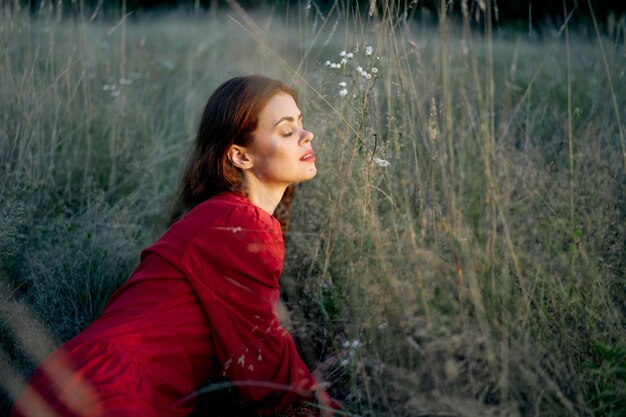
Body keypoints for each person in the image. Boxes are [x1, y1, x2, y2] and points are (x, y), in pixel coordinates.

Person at [11, 75, 342, 417]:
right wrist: (335, 410)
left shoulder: (219, 216)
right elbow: (264, 358)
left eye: (301, 123)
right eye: (287, 130)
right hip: (114, 387)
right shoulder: (241, 224)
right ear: (240, 156)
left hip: (71, 376)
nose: (307, 135)